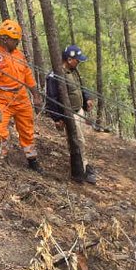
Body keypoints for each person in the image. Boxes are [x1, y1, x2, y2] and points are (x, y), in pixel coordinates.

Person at [0, 19, 41, 172]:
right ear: (4, 39)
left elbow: (27, 75)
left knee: (27, 129)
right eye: (15, 40)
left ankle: (32, 159)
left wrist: (36, 95)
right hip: (2, 99)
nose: (17, 43)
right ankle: (2, 158)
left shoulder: (19, 55)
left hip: (21, 98)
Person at [44, 44, 96, 183]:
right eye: (77, 60)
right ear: (69, 59)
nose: (78, 62)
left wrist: (87, 99)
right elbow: (51, 98)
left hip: (78, 111)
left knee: (80, 140)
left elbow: (79, 86)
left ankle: (84, 165)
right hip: (69, 114)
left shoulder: (73, 71)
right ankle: (80, 170)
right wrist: (57, 118)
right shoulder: (54, 75)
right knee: (77, 141)